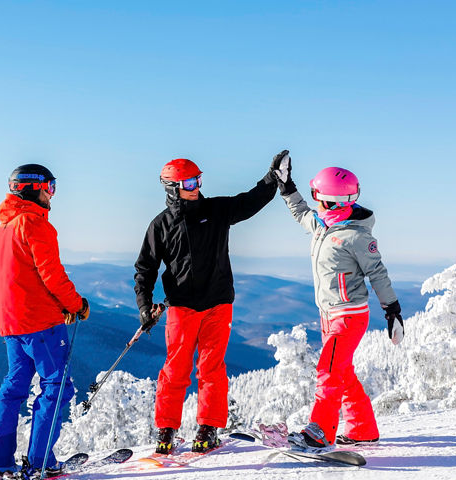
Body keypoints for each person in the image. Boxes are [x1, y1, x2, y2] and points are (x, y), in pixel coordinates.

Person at [134, 154, 285, 454]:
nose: (196, 187)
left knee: (211, 369)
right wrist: (144, 305)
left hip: (217, 303)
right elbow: (145, 269)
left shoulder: (216, 210)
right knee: (175, 370)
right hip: (182, 307)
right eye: (190, 183)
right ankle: (166, 430)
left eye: (198, 180)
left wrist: (272, 179)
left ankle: (208, 428)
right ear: (173, 188)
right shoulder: (161, 225)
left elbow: (248, 202)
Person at [272, 151, 405, 449]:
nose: (314, 200)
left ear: (329, 200)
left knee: (328, 372)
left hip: (348, 316)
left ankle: (320, 433)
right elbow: (301, 213)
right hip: (328, 315)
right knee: (342, 373)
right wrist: (286, 186)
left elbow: (378, 273)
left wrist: (392, 310)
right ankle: (362, 430)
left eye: (316, 195)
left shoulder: (356, 236)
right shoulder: (324, 224)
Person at [0, 164, 90, 479]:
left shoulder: (4, 228)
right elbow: (51, 275)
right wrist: (76, 304)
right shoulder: (34, 224)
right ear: (33, 188)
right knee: (56, 387)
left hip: (11, 323)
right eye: (50, 187)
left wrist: (58, 306)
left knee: (14, 387)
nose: (52, 194)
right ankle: (40, 462)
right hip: (39, 323)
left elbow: (23, 278)